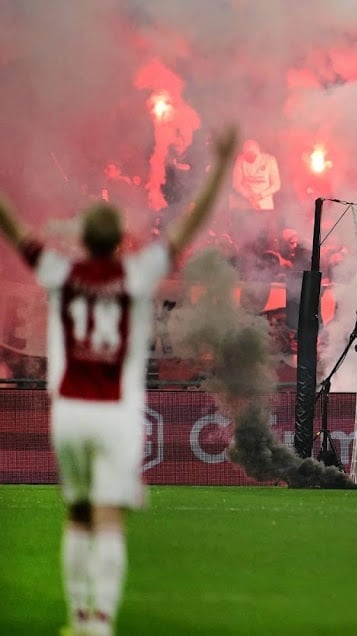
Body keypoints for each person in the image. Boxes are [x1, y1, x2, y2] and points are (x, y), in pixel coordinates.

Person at [0, 126, 239, 636]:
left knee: (77, 512)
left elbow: (13, 226)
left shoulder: (61, 274)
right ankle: (102, 620)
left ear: (83, 240)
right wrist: (221, 164)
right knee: (110, 515)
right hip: (115, 414)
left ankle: (77, 616)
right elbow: (188, 226)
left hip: (69, 411)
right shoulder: (137, 275)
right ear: (120, 241)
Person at [230, 139, 280, 210]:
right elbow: (236, 184)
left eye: (253, 155)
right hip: (246, 203)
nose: (250, 158)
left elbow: (276, 185)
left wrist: (260, 196)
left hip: (265, 203)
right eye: (247, 155)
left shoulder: (270, 160)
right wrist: (249, 197)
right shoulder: (240, 161)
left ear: (258, 153)